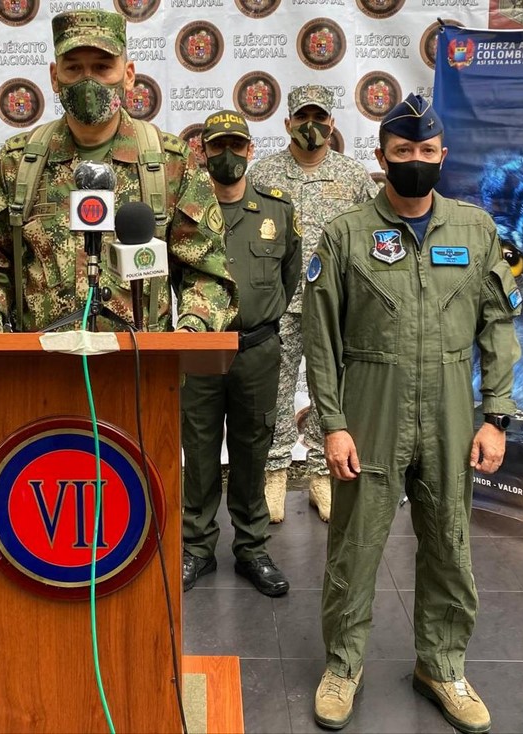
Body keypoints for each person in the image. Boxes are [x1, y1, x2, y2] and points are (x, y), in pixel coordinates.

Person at [302, 94, 521, 732]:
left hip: (451, 406)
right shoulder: (345, 235)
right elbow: (321, 339)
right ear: (381, 157)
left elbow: (498, 326)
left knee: (450, 542)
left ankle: (442, 667)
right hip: (372, 404)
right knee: (355, 544)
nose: (415, 160)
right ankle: (343, 666)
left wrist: (495, 416)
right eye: (403, 151)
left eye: (426, 150)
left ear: (442, 155)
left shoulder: (475, 231)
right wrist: (333, 424)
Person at [0, 9, 236, 334]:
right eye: (74, 68)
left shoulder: (171, 164)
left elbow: (206, 268)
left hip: (142, 360)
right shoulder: (17, 164)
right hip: (41, 359)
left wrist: (192, 329)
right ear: (55, 76)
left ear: (128, 74)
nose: (88, 81)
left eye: (102, 67)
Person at [181, 111, 301, 596]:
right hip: (199, 351)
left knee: (253, 450)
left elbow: (289, 274)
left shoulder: (277, 209)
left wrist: (258, 318)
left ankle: (252, 548)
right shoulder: (187, 210)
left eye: (236, 145)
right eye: (217, 146)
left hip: (256, 350)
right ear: (203, 151)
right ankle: (197, 548)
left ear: (251, 150)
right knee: (200, 451)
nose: (227, 155)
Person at [248, 84, 378, 523]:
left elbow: (373, 236)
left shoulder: (352, 176)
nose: (311, 126)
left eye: (319, 118)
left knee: (331, 390)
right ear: (287, 123)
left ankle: (323, 472)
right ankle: (275, 472)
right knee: (275, 389)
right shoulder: (263, 174)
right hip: (278, 303)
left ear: (332, 123)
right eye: (302, 118)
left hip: (334, 304)